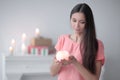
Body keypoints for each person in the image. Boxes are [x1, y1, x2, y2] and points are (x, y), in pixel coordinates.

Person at [50, 3, 105, 80]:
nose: (76, 26)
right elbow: (52, 73)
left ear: (88, 23)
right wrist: (59, 62)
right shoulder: (62, 39)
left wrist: (75, 62)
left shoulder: (97, 45)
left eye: (82, 22)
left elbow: (94, 79)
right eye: (74, 20)